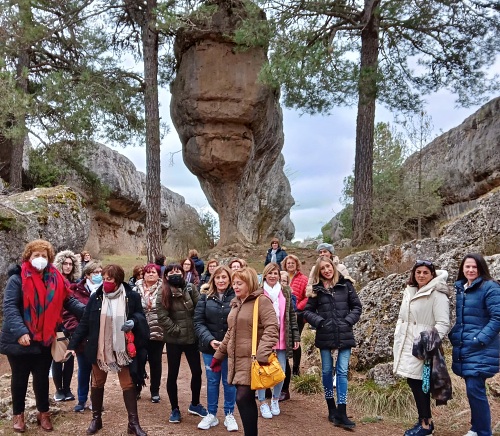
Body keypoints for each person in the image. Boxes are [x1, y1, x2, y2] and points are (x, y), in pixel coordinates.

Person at [0, 239, 85, 433]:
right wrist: (21, 331)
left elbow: (70, 302)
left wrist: (89, 311)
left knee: (41, 377)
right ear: (28, 257)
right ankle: (18, 415)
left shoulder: (56, 279)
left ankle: (43, 413)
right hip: (18, 338)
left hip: (45, 338)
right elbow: (10, 307)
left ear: (50, 259)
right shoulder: (17, 279)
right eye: (36, 255)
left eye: (44, 256)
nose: (40, 259)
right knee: (19, 378)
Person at [66, 264, 149, 436]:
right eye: (103, 279)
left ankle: (133, 423)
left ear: (117, 280)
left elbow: (140, 316)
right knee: (97, 383)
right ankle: (96, 419)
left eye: (109, 279)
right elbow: (85, 322)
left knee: (128, 384)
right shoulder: (96, 297)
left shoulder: (131, 296)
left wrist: (133, 321)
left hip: (122, 348)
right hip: (100, 348)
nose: (105, 282)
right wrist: (72, 345)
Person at [211, 267, 279, 436]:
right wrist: (218, 355)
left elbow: (272, 328)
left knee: (242, 397)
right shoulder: (236, 303)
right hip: (238, 360)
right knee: (244, 399)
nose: (235, 286)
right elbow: (230, 332)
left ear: (249, 283)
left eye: (239, 283)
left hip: (254, 359)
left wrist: (262, 353)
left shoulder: (261, 301)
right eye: (234, 283)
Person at [393, 260, 451, 436]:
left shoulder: (437, 294)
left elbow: (443, 323)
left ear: (432, 274)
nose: (421, 275)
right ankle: (423, 421)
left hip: (422, 346)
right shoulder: (410, 290)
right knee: (414, 381)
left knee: (420, 383)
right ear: (414, 274)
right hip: (406, 342)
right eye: (418, 272)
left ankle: (426, 425)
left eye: (426, 272)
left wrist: (428, 342)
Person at [303, 256, 362, 429]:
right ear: (319, 272)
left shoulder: (346, 285)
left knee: (342, 372)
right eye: (323, 269)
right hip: (325, 335)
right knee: (327, 371)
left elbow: (357, 307)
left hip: (344, 335)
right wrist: (320, 322)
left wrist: (348, 321)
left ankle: (342, 411)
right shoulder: (317, 290)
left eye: (328, 267)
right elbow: (307, 311)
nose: (326, 270)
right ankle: (331, 408)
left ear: (333, 267)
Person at [448, 254, 500, 436]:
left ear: (481, 269)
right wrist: (454, 334)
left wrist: (479, 339)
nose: (470, 270)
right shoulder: (463, 288)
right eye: (467, 267)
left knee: (475, 388)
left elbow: (497, 318)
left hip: (482, 347)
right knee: (473, 390)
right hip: (466, 346)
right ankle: (476, 428)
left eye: (474, 267)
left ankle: (484, 431)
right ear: (462, 268)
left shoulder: (490, 287)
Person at [156, 263, 207, 424]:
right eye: (171, 272)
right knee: (173, 374)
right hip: (174, 340)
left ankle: (195, 404)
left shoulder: (191, 288)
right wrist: (176, 330)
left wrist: (195, 329)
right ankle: (174, 408)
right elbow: (162, 317)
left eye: (177, 271)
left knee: (197, 372)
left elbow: (200, 308)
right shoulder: (163, 291)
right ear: (166, 276)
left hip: (191, 339)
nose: (175, 273)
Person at [194, 265, 238, 431]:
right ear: (213, 280)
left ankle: (229, 414)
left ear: (230, 279)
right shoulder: (205, 297)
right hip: (210, 348)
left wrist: (228, 342)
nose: (221, 280)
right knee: (212, 381)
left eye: (224, 277)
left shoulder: (236, 298)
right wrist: (210, 340)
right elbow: (198, 322)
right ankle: (211, 414)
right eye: (218, 277)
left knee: (229, 382)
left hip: (230, 348)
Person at [256, 263, 300, 419]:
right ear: (265, 275)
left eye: (275, 273)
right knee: (262, 370)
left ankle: (275, 399)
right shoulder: (259, 292)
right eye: (270, 273)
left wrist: (296, 336)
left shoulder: (285, 291)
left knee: (280, 371)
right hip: (264, 338)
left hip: (282, 337)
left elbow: (291, 315)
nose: (273, 276)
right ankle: (262, 402)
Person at [69, 260, 103, 412]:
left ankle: (95, 400)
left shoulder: (106, 291)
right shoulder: (76, 290)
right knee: (84, 369)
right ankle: (81, 400)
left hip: (100, 338)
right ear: (88, 275)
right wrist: (78, 332)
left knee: (98, 372)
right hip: (82, 338)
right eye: (96, 272)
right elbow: (69, 315)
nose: (99, 275)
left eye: (101, 272)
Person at [52, 250, 82, 403]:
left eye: (71, 264)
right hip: (57, 325)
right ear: (60, 264)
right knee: (57, 358)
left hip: (72, 325)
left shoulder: (75, 283)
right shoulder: (54, 281)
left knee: (69, 358)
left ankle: (68, 389)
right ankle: (59, 390)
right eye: (65, 263)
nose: (68, 266)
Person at [133, 263, 164, 403]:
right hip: (139, 331)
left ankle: (155, 390)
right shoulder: (135, 289)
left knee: (155, 361)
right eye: (148, 272)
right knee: (139, 360)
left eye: (154, 272)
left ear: (158, 275)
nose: (151, 274)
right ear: (143, 274)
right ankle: (137, 387)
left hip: (157, 330)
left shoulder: (164, 289)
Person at [282, 254, 308, 377]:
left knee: (295, 340)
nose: (290, 265)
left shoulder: (303, 279)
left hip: (298, 315)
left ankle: (296, 368)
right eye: (288, 263)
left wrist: (297, 308)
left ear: (297, 264)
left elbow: (307, 296)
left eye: (293, 263)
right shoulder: (281, 276)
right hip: (283, 315)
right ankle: (284, 367)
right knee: (284, 340)